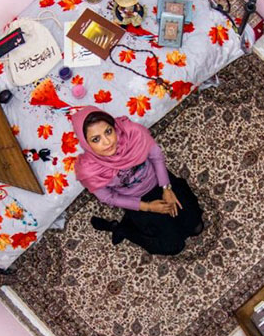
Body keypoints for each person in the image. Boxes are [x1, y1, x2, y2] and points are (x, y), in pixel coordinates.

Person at [71, 106, 204, 256]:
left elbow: (156, 156)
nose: (107, 142)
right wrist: (148, 207)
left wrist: (167, 188)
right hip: (137, 200)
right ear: (86, 143)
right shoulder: (88, 170)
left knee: (196, 227)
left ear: (114, 127)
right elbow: (109, 198)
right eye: (96, 139)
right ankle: (124, 229)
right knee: (174, 246)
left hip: (159, 181)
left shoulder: (132, 133)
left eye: (108, 131)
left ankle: (139, 220)